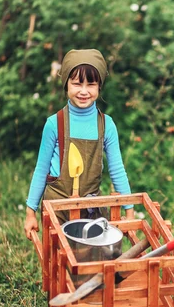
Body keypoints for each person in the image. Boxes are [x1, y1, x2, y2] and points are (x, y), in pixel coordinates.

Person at [24, 49, 133, 240]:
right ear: (66, 85)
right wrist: (30, 212)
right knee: (58, 262)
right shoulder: (54, 124)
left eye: (91, 84)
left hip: (91, 211)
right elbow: (41, 170)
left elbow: (117, 170)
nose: (83, 91)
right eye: (76, 84)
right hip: (57, 208)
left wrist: (129, 210)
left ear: (99, 86)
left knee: (92, 262)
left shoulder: (106, 125)